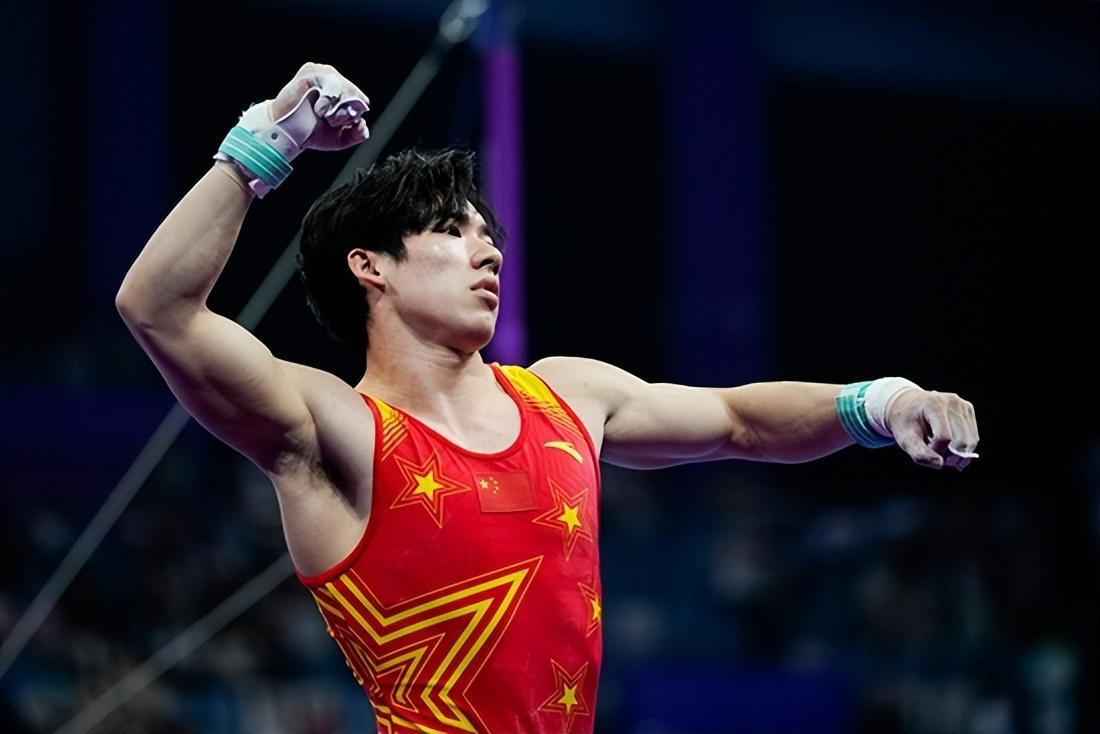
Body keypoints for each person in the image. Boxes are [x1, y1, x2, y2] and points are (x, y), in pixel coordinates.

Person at [116, 63, 979, 734]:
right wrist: (269, 138)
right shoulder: (331, 426)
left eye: (489, 236)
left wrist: (881, 403)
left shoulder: (568, 393)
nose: (489, 252)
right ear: (370, 266)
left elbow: (739, 422)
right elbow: (156, 308)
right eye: (452, 232)